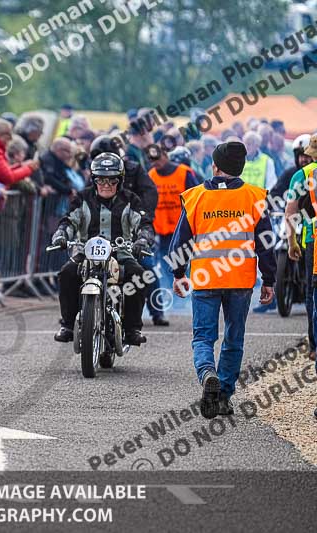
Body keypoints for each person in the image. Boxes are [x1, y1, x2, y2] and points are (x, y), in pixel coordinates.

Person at [171, 141, 275, 419]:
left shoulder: (195, 197)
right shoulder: (255, 196)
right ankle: (224, 395)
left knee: (203, 337)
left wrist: (178, 274)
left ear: (215, 166)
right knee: (234, 338)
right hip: (240, 279)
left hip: (205, 278)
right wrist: (269, 279)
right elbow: (266, 242)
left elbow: (181, 242)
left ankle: (207, 374)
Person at [51, 153, 153, 346]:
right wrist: (61, 235)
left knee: (138, 275)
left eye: (112, 180)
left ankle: (132, 329)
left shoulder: (131, 199)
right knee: (66, 273)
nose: (106, 184)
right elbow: (69, 220)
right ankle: (67, 325)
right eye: (101, 180)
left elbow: (144, 224)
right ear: (93, 179)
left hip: (120, 251)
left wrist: (142, 240)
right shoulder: (81, 197)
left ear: (120, 180)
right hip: (85, 251)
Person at [145, 143, 199, 325]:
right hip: (161, 229)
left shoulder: (184, 172)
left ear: (165, 155)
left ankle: (181, 298)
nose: (156, 163)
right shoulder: (151, 175)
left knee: (181, 261)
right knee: (163, 263)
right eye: (152, 160)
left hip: (182, 227)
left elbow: (194, 197)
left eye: (158, 158)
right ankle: (172, 295)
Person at [285, 134, 317, 361]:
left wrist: (291, 241)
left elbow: (291, 212)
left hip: (312, 239)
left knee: (312, 292)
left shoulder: (303, 174)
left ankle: (315, 346)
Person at [0, 118, 39, 188]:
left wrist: (20, 166)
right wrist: (29, 168)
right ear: (3, 136)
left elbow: (4, 171)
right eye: (9, 136)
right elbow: (8, 177)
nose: (9, 140)